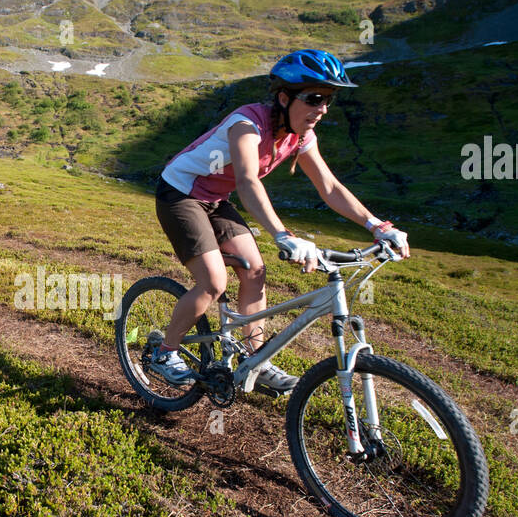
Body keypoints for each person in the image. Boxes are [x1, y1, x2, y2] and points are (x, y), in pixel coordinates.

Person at [149, 49, 409, 392]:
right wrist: (283, 235)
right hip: (180, 194)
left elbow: (329, 187)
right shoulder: (247, 125)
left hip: (214, 199)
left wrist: (377, 226)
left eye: (328, 100)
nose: (323, 109)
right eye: (314, 98)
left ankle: (256, 360)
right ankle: (164, 353)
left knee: (254, 270)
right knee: (214, 282)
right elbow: (247, 181)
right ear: (284, 97)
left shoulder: (300, 137)